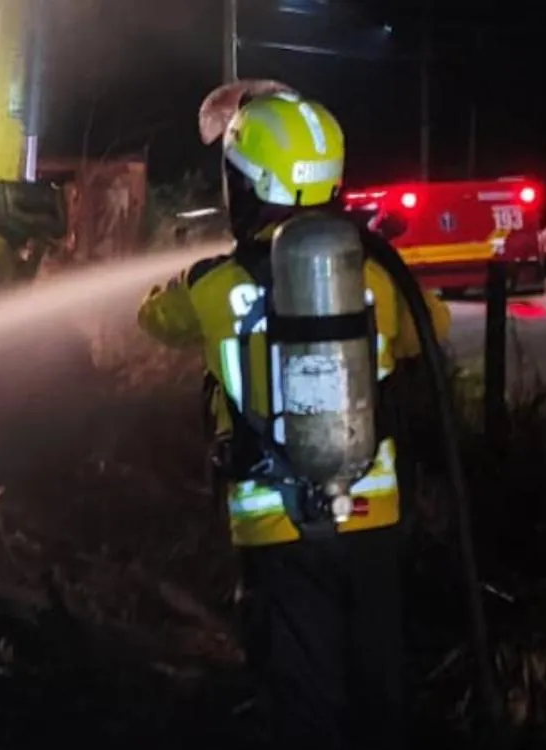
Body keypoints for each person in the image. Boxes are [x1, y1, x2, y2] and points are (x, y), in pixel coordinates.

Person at [137, 85, 451, 750]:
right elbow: (436, 327)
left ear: (244, 185)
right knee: (377, 686)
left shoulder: (212, 287)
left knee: (303, 701)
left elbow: (152, 317)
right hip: (375, 520)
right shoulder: (380, 275)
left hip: (277, 530)